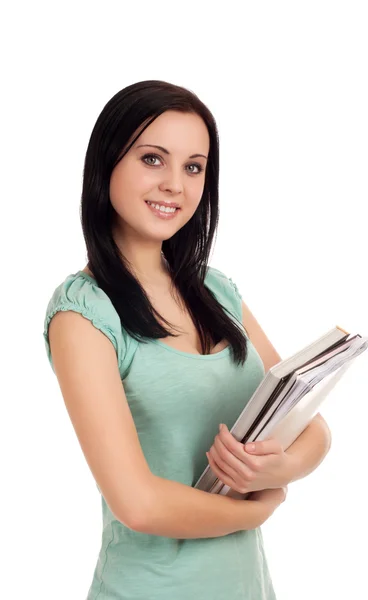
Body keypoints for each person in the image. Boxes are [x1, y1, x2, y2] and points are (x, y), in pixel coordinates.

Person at [42, 80, 292, 599]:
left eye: (193, 166)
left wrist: (278, 467)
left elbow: (305, 420)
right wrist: (257, 506)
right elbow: (138, 504)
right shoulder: (84, 312)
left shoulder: (216, 290)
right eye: (153, 159)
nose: (175, 184)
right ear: (107, 163)